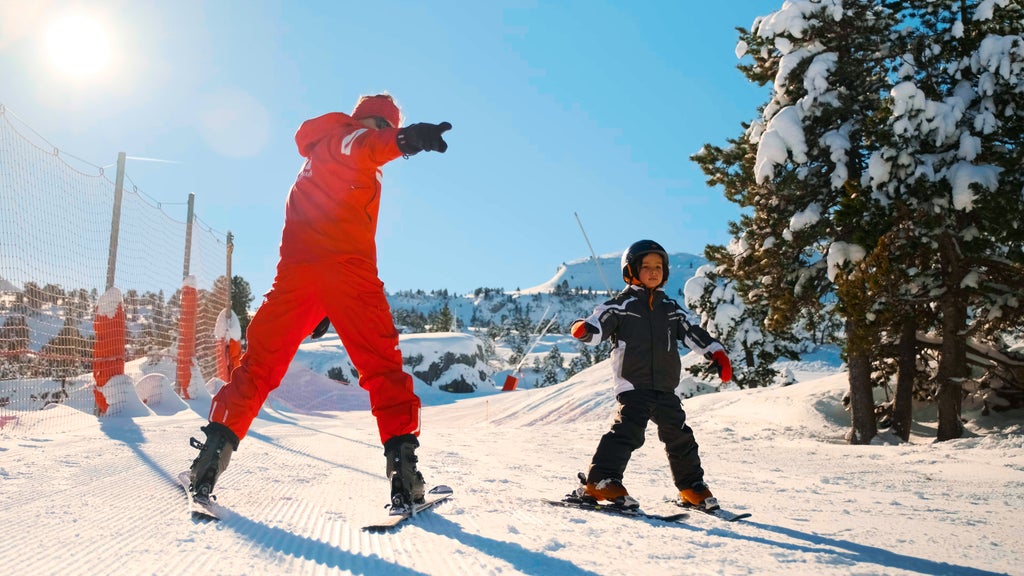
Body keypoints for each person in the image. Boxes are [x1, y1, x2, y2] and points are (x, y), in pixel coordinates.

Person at [186, 94, 452, 511]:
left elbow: (323, 216)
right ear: (371, 120)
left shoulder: (319, 155)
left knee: (256, 370)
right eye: (383, 124)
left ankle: (206, 467)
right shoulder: (348, 140)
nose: (382, 133)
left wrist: (317, 302)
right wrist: (406, 140)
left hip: (298, 278)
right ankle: (405, 481)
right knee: (383, 369)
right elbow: (364, 147)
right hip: (349, 275)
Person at [569, 239, 733, 510]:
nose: (654, 271)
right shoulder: (623, 304)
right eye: (646, 266)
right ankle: (600, 481)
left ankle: (692, 488)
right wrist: (585, 329)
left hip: (665, 387)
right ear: (631, 270)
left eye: (659, 266)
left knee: (680, 436)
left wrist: (716, 352)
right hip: (633, 384)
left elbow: (692, 331)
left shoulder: (670, 308)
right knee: (628, 432)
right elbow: (599, 323)